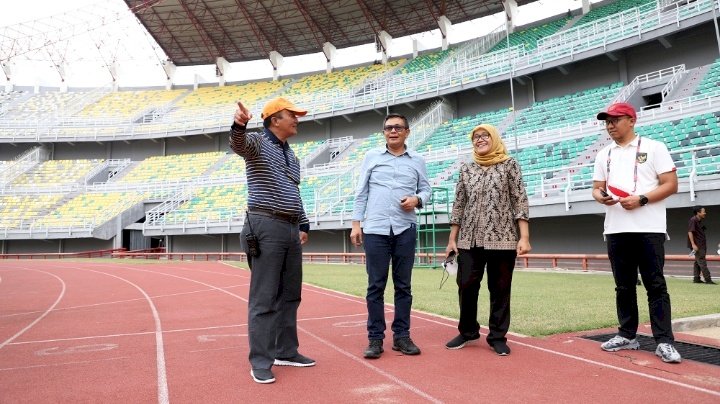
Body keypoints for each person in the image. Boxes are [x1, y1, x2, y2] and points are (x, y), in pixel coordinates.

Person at [230, 97, 314, 384]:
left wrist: (303, 223)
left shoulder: (292, 156)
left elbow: (294, 191)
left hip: (290, 228)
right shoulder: (256, 141)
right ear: (274, 119)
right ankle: (261, 361)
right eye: (292, 114)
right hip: (265, 223)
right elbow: (238, 146)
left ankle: (286, 351)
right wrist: (239, 125)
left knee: (291, 294)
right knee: (264, 297)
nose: (297, 119)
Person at [592, 102, 682, 363]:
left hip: (649, 228)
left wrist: (641, 199)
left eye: (615, 120)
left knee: (655, 285)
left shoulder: (654, 148)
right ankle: (627, 334)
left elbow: (671, 184)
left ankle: (664, 341)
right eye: (607, 121)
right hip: (616, 229)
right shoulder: (604, 154)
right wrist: (601, 197)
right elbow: (597, 187)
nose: (610, 125)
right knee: (623, 286)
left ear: (631, 120)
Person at [443, 123, 531, 356]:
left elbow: (519, 200)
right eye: (475, 137)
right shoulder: (466, 169)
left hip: (503, 238)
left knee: (500, 288)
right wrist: (452, 239)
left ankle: (497, 336)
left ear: (494, 138)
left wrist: (524, 237)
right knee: (466, 285)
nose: (480, 140)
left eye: (484, 136)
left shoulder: (509, 164)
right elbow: (458, 205)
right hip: (468, 239)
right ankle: (468, 331)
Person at [350, 113, 431, 359]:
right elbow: (361, 192)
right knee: (375, 286)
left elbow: (426, 189)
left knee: (403, 286)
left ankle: (401, 336)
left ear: (407, 132)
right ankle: (375, 339)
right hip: (375, 229)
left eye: (397, 127)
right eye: (388, 128)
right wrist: (356, 224)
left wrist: (417, 200)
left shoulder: (417, 160)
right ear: (384, 132)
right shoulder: (371, 157)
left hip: (405, 228)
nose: (392, 131)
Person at [688, 206, 715, 284]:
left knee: (697, 261)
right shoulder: (693, 220)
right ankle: (708, 279)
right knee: (702, 261)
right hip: (698, 245)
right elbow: (690, 232)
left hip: (701, 244)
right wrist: (693, 244)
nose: (705, 213)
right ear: (698, 213)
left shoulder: (699, 220)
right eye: (703, 211)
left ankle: (696, 278)